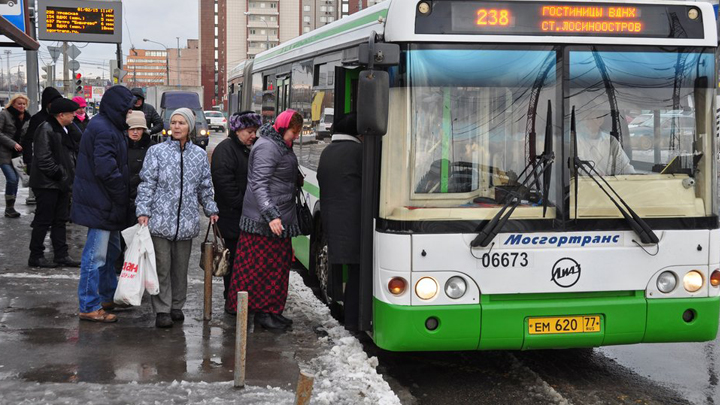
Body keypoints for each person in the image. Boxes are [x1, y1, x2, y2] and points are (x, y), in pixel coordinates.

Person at [136, 107, 219, 328]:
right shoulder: (157, 152)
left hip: (186, 222)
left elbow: (205, 187)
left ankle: (176, 306)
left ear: (190, 127)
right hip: (160, 220)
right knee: (162, 266)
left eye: (181, 123)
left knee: (180, 268)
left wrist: (211, 209)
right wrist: (143, 210)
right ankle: (162, 309)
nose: (176, 127)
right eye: (173, 123)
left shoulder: (199, 155)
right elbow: (147, 184)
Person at [226, 109, 303, 331]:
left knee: (277, 269)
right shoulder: (268, 147)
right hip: (263, 223)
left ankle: (271, 311)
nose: (295, 136)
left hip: (278, 221)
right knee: (259, 270)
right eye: (293, 132)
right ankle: (261, 313)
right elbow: (259, 184)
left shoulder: (280, 145)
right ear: (282, 128)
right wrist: (271, 215)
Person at [70, 85, 135, 323]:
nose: (129, 114)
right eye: (127, 109)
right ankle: (89, 305)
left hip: (104, 202)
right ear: (117, 107)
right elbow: (106, 170)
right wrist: (121, 195)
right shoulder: (105, 129)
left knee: (111, 252)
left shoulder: (107, 125)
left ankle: (107, 296)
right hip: (102, 203)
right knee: (95, 257)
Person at [210, 111, 261, 313]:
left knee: (246, 262)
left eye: (255, 131)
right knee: (235, 263)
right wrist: (246, 204)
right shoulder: (226, 150)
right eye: (249, 131)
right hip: (232, 217)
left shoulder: (248, 149)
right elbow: (224, 185)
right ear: (237, 130)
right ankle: (232, 301)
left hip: (245, 216)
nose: (253, 135)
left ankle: (240, 299)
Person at [317, 113, 362, 331]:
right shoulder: (358, 152)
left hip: (331, 219)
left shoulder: (327, 152)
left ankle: (338, 310)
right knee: (357, 271)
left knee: (338, 266)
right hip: (354, 223)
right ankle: (353, 321)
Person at [27, 98, 81, 268]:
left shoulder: (63, 128)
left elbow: (76, 144)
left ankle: (61, 254)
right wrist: (61, 175)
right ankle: (36, 255)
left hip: (60, 183)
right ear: (61, 114)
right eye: (71, 113)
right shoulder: (46, 128)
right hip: (47, 184)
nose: (74, 115)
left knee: (60, 220)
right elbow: (43, 159)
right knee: (43, 220)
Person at [23, 87, 62, 205]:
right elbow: (28, 140)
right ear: (47, 103)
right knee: (45, 205)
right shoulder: (38, 119)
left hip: (59, 164)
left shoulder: (60, 117)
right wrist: (28, 161)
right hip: (42, 165)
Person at [576, 109, 635, 176]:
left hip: (608, 184)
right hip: (584, 184)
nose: (585, 123)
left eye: (589, 119)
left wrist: (635, 179)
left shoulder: (611, 141)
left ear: (600, 121)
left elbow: (624, 166)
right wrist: (596, 176)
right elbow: (580, 166)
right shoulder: (575, 140)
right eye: (583, 119)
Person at [0, 94, 31, 218]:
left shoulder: (27, 117)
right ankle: (9, 207)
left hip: (18, 155)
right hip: (4, 153)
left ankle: (11, 207)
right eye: (19, 104)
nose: (22, 106)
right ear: (13, 104)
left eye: (24, 104)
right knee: (12, 178)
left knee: (17, 179)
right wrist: (13, 144)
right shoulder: (5, 114)